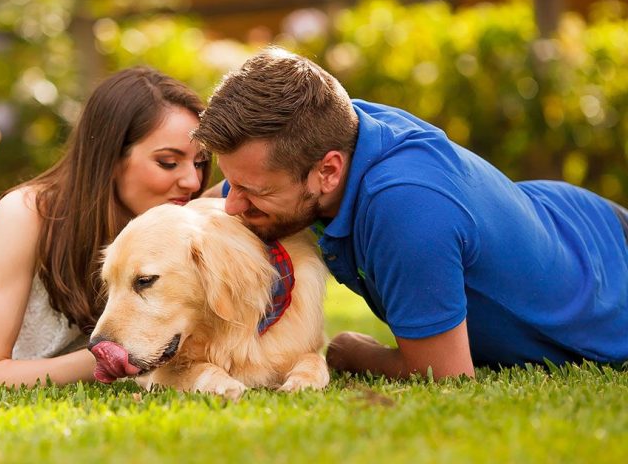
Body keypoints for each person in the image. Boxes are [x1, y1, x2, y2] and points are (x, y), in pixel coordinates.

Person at [192, 46, 628, 379]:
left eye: (253, 191)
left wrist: (351, 351)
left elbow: (448, 377)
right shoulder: (329, 130)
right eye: (234, 182)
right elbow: (203, 211)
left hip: (611, 277)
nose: (231, 203)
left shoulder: (406, 210)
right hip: (568, 220)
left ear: (328, 171)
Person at [0, 67, 210, 389]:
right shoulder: (25, 213)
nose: (193, 181)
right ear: (110, 157)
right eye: (168, 162)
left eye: (200, 162)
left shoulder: (179, 226)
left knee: (12, 236)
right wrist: (110, 355)